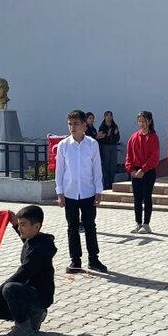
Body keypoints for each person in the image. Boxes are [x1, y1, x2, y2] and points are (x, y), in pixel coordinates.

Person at [0, 205, 56, 336]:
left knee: (10, 288)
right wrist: (14, 222)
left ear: (36, 226)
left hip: (40, 295)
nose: (20, 228)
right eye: (20, 224)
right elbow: (25, 240)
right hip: (28, 292)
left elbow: (22, 275)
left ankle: (24, 327)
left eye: (23, 225)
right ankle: (33, 316)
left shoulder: (39, 249)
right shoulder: (33, 239)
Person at [55, 109, 107, 274]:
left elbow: (97, 169)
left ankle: (93, 259)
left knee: (90, 225)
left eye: (76, 124)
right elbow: (60, 170)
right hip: (70, 192)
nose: (72, 127)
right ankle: (75, 260)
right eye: (70, 124)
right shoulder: (63, 145)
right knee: (72, 227)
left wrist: (99, 190)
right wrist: (60, 192)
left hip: (88, 192)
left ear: (84, 125)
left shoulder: (92, 144)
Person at [125, 111, 160, 234]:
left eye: (144, 121)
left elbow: (154, 157)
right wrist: (131, 169)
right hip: (135, 172)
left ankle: (146, 223)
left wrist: (144, 169)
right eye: (139, 121)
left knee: (147, 197)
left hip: (148, 172)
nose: (141, 123)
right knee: (137, 199)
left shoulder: (153, 137)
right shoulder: (133, 137)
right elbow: (129, 155)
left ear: (149, 122)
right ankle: (138, 223)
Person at [96, 111, 121, 190]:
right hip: (105, 146)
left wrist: (116, 133)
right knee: (106, 165)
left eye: (110, 115)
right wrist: (108, 134)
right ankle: (106, 183)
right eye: (107, 115)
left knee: (113, 165)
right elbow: (100, 138)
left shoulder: (114, 125)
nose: (109, 117)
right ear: (104, 117)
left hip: (113, 146)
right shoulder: (102, 126)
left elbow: (117, 138)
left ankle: (111, 183)